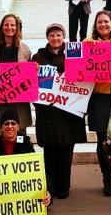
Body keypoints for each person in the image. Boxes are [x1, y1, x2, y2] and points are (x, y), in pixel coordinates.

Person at [32, 23, 87, 199]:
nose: (55, 38)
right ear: (47, 37)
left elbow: (85, 74)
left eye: (58, 35)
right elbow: (32, 85)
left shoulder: (74, 53)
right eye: (52, 35)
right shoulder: (37, 57)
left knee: (65, 152)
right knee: (50, 152)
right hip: (48, 113)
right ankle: (51, 187)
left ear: (63, 37)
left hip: (68, 113)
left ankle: (64, 187)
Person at [0, 109, 51, 215]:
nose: (10, 126)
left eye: (13, 123)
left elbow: (40, 173)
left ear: (18, 127)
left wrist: (47, 193)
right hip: (0, 200)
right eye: (6, 123)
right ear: (1, 127)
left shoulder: (26, 145)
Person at [85, 10, 111, 197]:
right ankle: (107, 178)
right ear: (95, 25)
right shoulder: (88, 43)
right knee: (102, 141)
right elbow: (76, 61)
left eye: (106, 22)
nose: (102, 25)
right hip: (98, 98)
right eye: (99, 22)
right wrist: (90, 47)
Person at [0, 14, 32, 137]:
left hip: (18, 104)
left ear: (17, 28)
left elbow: (29, 77)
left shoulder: (25, 50)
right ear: (2, 27)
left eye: (13, 25)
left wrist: (35, 69)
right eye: (6, 24)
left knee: (20, 139)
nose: (9, 27)